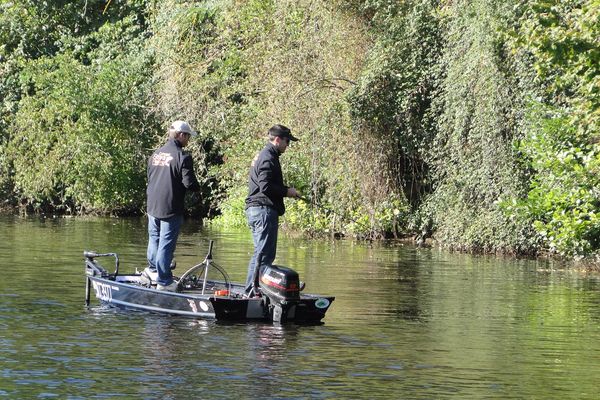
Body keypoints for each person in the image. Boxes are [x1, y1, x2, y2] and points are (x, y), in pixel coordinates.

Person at [144, 120, 201, 291]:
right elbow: (189, 183)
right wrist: (198, 190)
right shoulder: (183, 157)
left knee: (154, 239)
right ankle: (165, 281)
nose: (189, 140)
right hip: (170, 206)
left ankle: (153, 271)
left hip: (152, 204)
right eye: (188, 136)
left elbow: (150, 177)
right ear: (181, 135)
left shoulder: (155, 154)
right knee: (166, 245)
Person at [244, 124, 300, 295]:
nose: (288, 145)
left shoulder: (266, 155)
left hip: (258, 210)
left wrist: (285, 189)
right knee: (263, 254)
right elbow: (265, 186)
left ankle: (255, 288)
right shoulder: (268, 157)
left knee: (262, 253)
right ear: (277, 139)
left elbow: (266, 183)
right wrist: (286, 192)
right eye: (287, 141)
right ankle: (253, 290)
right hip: (263, 211)